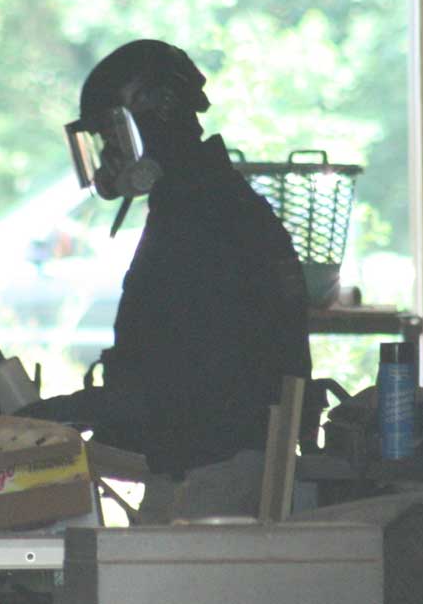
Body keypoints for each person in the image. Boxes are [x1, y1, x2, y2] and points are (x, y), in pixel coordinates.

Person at [20, 39, 313, 521]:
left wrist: (71, 411)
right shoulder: (201, 202)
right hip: (210, 460)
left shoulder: (202, 217)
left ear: (159, 113)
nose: (110, 155)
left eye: (113, 134)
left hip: (214, 472)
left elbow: (184, 378)